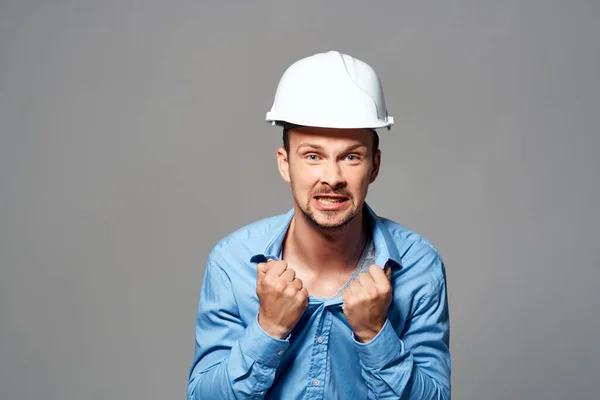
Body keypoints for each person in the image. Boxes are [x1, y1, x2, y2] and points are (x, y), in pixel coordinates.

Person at [187, 51, 450, 400]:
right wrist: (269, 329)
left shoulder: (418, 265)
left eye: (351, 156)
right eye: (313, 156)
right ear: (285, 165)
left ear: (374, 165)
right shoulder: (233, 261)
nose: (332, 178)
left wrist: (375, 334)